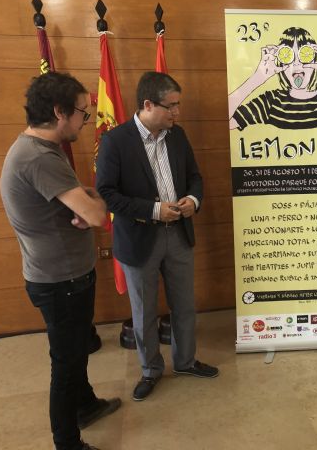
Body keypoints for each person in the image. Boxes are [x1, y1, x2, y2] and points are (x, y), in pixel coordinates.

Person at [0, 72, 121, 450]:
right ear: (59, 112)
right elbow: (98, 215)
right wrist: (91, 203)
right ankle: (67, 442)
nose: (86, 122)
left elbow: (79, 202)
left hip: (65, 275)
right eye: (83, 113)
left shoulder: (38, 149)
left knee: (76, 349)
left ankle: (85, 405)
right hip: (60, 281)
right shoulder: (39, 158)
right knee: (66, 364)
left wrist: (84, 203)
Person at [96, 71, 218, 402]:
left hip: (178, 234)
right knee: (144, 311)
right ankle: (150, 370)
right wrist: (153, 210)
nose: (177, 112)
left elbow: (195, 177)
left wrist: (192, 200)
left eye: (178, 105)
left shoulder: (177, 135)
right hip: (139, 240)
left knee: (184, 305)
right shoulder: (115, 141)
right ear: (148, 104)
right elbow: (107, 193)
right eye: (171, 106)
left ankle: (186, 361)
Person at [228, 26, 317, 130]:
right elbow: (228, 122)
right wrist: (257, 78)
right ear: (280, 62)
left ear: (316, 59)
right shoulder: (268, 103)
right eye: (288, 56)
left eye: (304, 55)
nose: (296, 63)